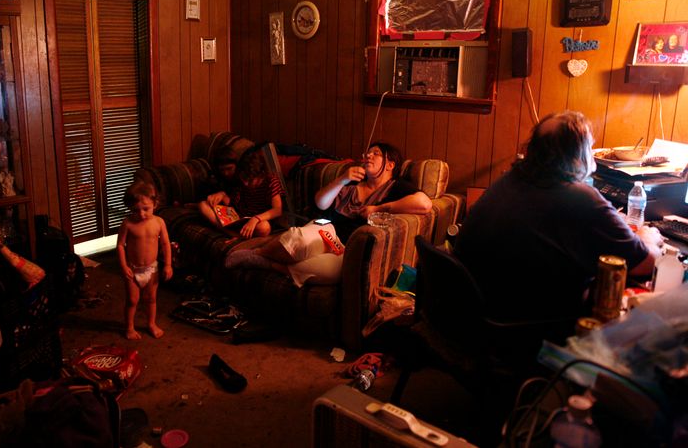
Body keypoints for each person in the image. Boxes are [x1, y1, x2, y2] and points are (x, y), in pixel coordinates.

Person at [454, 111, 661, 328]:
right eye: (589, 148)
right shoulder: (580, 197)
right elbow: (646, 264)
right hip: (523, 329)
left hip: (474, 316)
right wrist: (647, 236)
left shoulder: (509, 179)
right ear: (576, 157)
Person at [225, 142, 432, 287]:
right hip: (326, 228)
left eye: (376, 153)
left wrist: (378, 208)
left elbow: (424, 204)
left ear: (390, 164)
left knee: (330, 272)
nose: (368, 155)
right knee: (298, 241)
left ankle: (267, 262)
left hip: (346, 247)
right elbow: (320, 202)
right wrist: (342, 178)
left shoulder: (395, 187)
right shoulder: (352, 179)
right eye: (367, 152)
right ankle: (256, 254)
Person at [117, 180, 173, 340]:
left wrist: (168, 264)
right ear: (129, 208)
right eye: (136, 210)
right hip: (132, 269)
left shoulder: (158, 222)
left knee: (151, 298)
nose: (141, 214)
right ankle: (129, 327)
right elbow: (120, 245)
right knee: (132, 300)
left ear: (155, 204)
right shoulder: (128, 224)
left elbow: (165, 243)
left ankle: (151, 324)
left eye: (146, 209)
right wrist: (123, 265)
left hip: (151, 269)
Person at [198, 146, 283, 239]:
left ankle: (238, 234)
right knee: (203, 205)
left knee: (264, 227)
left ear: (260, 175)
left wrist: (255, 219)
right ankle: (231, 233)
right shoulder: (240, 179)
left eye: (250, 181)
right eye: (244, 180)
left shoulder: (271, 181)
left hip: (258, 220)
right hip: (239, 217)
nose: (246, 184)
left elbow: (277, 210)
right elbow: (234, 204)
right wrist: (223, 196)